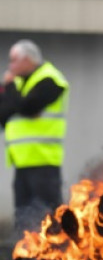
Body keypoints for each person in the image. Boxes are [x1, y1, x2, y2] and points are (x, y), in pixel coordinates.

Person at [0, 40, 68, 236]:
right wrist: (16, 100)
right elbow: (3, 114)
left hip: (44, 162)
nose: (10, 66)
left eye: (13, 60)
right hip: (21, 162)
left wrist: (11, 90)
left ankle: (59, 259)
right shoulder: (20, 83)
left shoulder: (51, 80)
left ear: (28, 60)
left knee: (49, 215)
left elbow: (29, 107)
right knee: (23, 217)